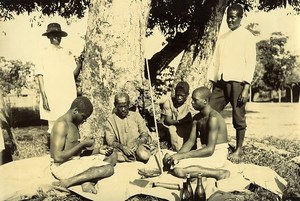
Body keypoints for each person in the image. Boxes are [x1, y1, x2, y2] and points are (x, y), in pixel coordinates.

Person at [207, 4, 256, 160]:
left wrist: (246, 87)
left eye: (234, 17)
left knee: (238, 116)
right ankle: (210, 144)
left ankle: (239, 149)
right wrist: (212, 80)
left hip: (238, 83)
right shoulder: (223, 37)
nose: (230, 20)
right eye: (228, 17)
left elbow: (251, 62)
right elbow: (216, 60)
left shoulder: (247, 36)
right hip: (221, 82)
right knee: (209, 111)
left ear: (241, 17)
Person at [50, 96, 117, 194]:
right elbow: (57, 157)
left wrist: (98, 150)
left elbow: (77, 154)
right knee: (109, 169)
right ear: (75, 110)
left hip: (74, 162)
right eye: (84, 117)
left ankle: (87, 181)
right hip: (62, 167)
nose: (85, 120)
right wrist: (82, 144)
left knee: (113, 155)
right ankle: (68, 182)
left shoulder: (74, 123)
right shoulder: (62, 124)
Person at [163, 87, 230, 180]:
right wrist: (177, 156)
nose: (192, 102)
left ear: (205, 101)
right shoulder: (196, 118)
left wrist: (182, 156)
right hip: (204, 152)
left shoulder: (213, 118)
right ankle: (196, 172)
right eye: (192, 99)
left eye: (195, 100)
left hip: (216, 154)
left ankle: (218, 173)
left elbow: (210, 150)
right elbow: (190, 142)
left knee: (179, 168)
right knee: (167, 157)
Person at [36, 23, 82, 134]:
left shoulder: (67, 52)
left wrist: (80, 64)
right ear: (49, 36)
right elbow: (40, 76)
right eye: (53, 35)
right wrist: (44, 97)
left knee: (68, 122)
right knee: (53, 125)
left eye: (58, 34)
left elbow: (73, 74)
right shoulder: (43, 53)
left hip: (66, 93)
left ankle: (68, 148)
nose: (57, 37)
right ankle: (55, 149)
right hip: (52, 94)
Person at [105, 92, 152, 163]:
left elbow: (144, 133)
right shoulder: (111, 120)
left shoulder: (136, 116)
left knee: (144, 155)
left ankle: (133, 156)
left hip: (137, 147)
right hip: (121, 150)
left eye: (125, 106)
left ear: (129, 104)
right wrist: (122, 147)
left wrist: (138, 142)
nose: (123, 109)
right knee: (113, 156)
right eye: (120, 107)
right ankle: (129, 157)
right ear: (115, 105)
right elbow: (110, 140)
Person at [159, 81, 194, 151]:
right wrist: (181, 121)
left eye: (182, 96)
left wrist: (184, 121)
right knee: (171, 129)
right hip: (175, 126)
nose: (179, 98)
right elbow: (168, 121)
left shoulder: (191, 102)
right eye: (177, 95)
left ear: (187, 95)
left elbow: (193, 120)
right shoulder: (169, 102)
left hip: (189, 127)